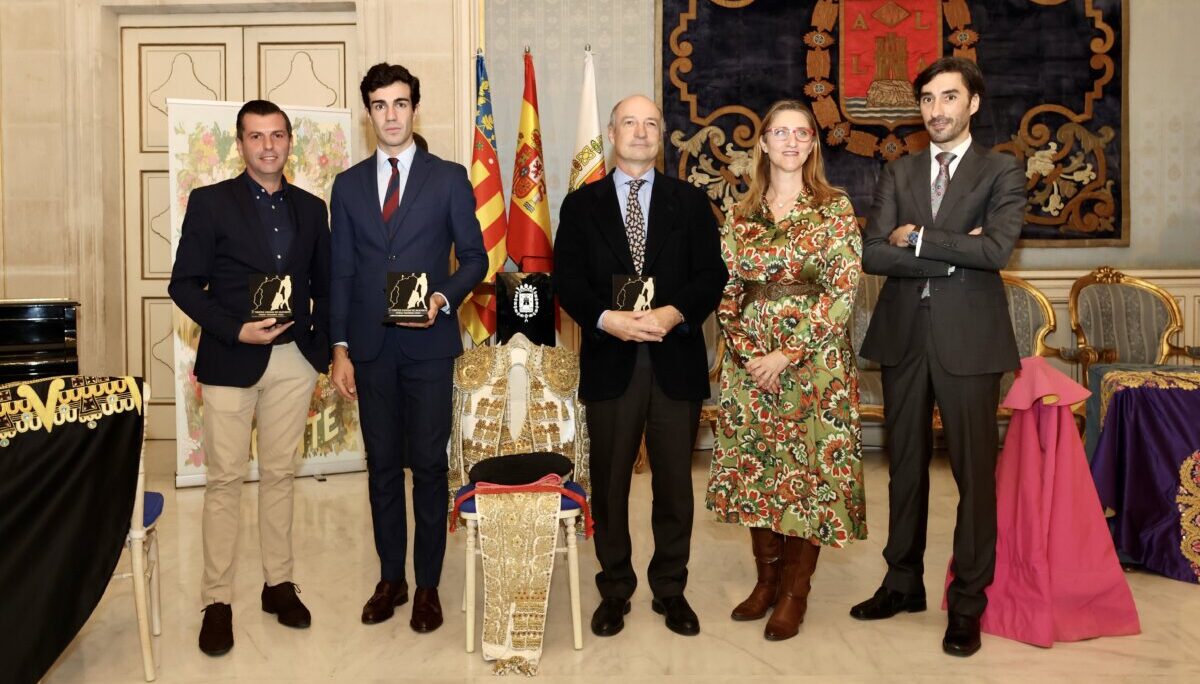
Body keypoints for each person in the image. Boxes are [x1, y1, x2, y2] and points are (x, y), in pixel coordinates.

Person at [851, 56, 1025, 657]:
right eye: (927, 99)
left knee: (975, 475)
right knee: (903, 468)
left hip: (971, 340)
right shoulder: (898, 172)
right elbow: (873, 253)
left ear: (972, 103)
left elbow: (998, 248)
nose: (936, 110)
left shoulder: (1001, 169)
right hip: (903, 335)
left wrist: (920, 238)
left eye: (948, 98)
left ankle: (968, 601)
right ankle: (902, 582)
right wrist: (955, 253)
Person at [554, 94, 727, 638]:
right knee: (609, 486)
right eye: (630, 122)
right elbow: (568, 282)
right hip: (612, 361)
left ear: (661, 135)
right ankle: (615, 589)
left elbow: (710, 275)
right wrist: (608, 319)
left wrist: (675, 312)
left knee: (675, 484)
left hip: (674, 358)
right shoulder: (581, 206)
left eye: (651, 123)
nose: (641, 131)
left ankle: (670, 589)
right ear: (611, 131)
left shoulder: (691, 203)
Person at [328, 62, 486, 633]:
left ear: (415, 108)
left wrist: (442, 298)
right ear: (368, 113)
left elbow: (474, 258)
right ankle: (390, 578)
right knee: (381, 468)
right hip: (370, 349)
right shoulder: (346, 186)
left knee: (427, 466)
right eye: (379, 105)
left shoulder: (448, 178)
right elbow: (341, 272)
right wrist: (340, 348)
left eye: (400, 103)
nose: (391, 115)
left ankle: (427, 587)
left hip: (429, 346)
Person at [169, 99, 331, 656]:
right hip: (231, 358)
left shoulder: (313, 209)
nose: (268, 146)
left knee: (282, 475)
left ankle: (278, 584)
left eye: (278, 135)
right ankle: (217, 600)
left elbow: (327, 284)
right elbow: (183, 284)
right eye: (257, 136)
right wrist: (235, 330)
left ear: (291, 143)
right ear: (240, 144)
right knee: (224, 482)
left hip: (293, 361)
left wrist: (322, 351)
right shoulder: (211, 204)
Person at [706, 99, 865, 641]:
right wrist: (752, 353)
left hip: (815, 366)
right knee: (760, 471)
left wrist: (786, 354)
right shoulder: (739, 212)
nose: (792, 141)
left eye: (803, 133)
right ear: (765, 143)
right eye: (781, 132)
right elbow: (725, 290)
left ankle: (796, 593)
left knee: (809, 481)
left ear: (812, 145)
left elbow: (843, 291)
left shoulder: (834, 208)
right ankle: (766, 582)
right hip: (750, 369)